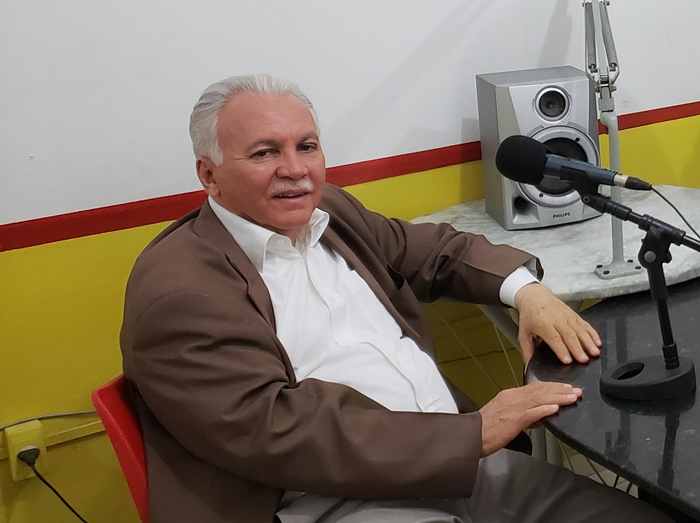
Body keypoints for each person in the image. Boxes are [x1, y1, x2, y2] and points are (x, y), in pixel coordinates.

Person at [120, 73, 672, 523]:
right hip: (333, 504)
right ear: (209, 175)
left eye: (306, 146)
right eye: (265, 153)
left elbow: (433, 249)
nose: (295, 170)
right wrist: (471, 434)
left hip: (460, 470)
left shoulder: (329, 212)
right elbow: (277, 430)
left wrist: (527, 292)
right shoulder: (179, 291)